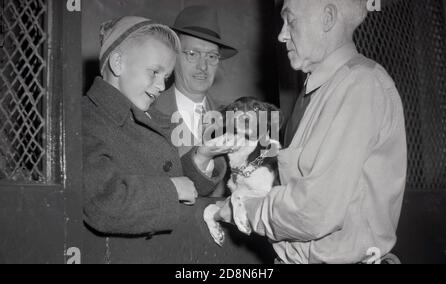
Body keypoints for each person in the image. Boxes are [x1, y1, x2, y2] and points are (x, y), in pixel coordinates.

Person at [217, 0, 407, 264]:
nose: (281, 34)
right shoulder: (319, 91)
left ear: (327, 18)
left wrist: (242, 207)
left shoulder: (359, 87)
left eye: (291, 21)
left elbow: (315, 211)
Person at [82, 16, 238, 263]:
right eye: (154, 72)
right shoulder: (89, 118)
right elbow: (103, 202)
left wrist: (200, 157)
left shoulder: (147, 115)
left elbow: (174, 179)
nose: (160, 85)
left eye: (165, 77)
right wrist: (172, 190)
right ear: (118, 63)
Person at [152, 5, 238, 158]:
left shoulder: (231, 119)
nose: (203, 66)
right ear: (173, 55)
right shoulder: (147, 114)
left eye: (211, 56)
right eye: (192, 54)